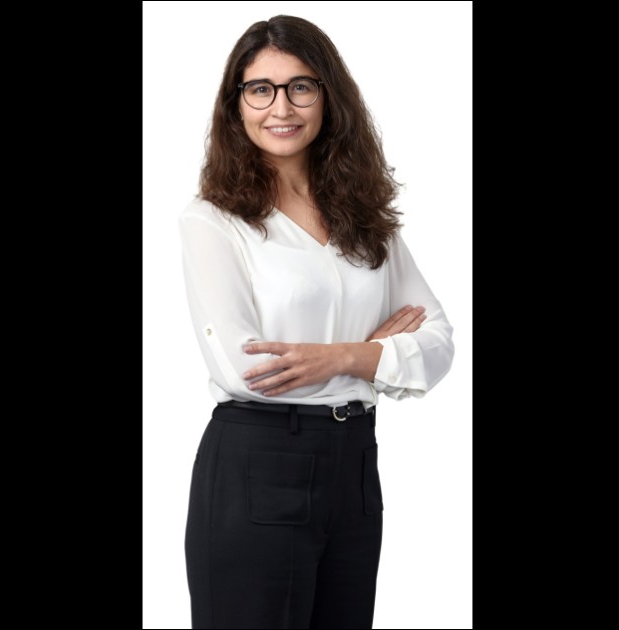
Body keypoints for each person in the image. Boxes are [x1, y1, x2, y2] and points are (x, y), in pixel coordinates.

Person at [179, 15, 454, 629]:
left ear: (329, 97)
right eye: (261, 89)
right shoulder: (213, 221)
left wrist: (342, 358)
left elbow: (438, 342)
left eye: (301, 86)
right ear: (236, 105)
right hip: (259, 462)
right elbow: (249, 370)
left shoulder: (364, 218)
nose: (281, 107)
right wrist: (373, 354)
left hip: (353, 466)